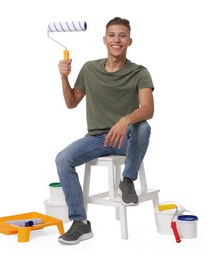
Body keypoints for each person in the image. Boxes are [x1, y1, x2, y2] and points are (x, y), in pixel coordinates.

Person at [55, 17, 155, 245]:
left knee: (143, 126)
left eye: (122, 35)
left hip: (127, 138)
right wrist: (63, 77)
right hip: (98, 138)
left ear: (129, 41)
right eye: (112, 35)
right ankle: (80, 222)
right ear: (104, 39)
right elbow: (71, 102)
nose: (116, 40)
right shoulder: (90, 69)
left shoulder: (139, 72)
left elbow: (148, 109)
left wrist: (126, 120)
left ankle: (127, 180)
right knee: (63, 159)